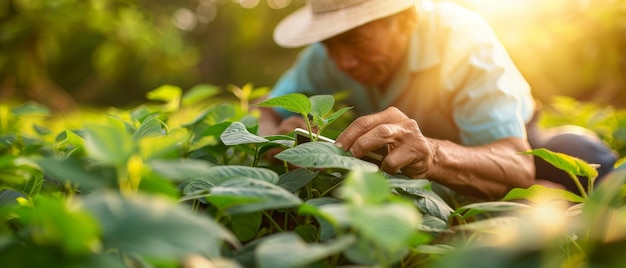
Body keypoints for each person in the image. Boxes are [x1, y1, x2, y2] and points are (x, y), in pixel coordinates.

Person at [258, 0, 618, 200]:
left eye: (357, 41)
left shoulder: (462, 38)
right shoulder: (327, 56)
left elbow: (516, 165)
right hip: (407, 160)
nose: (343, 62)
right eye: (330, 44)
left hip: (504, 143)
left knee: (573, 153)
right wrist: (278, 131)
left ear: (406, 19)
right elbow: (264, 106)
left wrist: (432, 154)